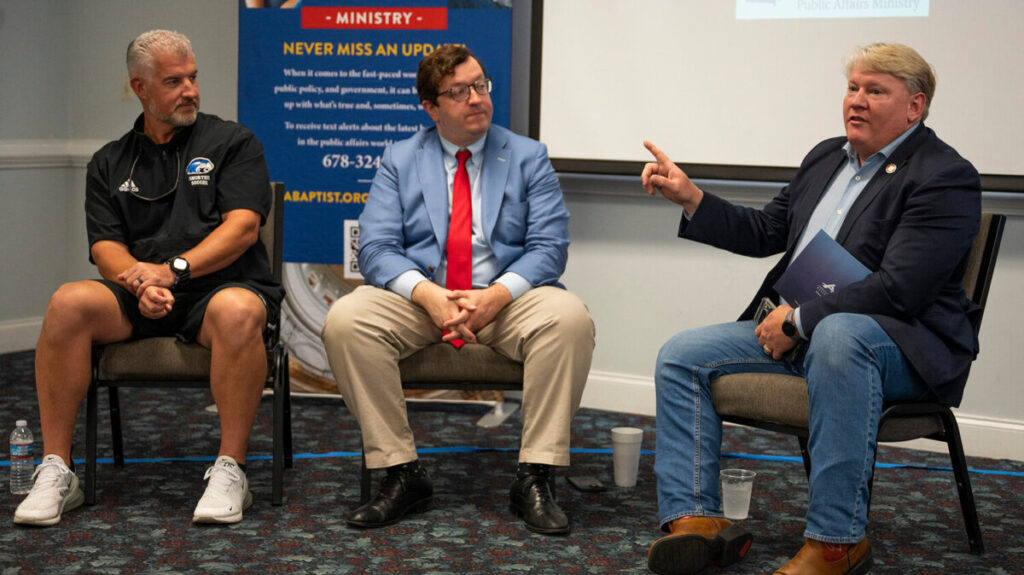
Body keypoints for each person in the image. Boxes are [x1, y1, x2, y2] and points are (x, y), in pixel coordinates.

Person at [640, 43, 981, 575]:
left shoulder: (944, 175)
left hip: (903, 346)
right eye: (853, 88)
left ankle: (836, 544)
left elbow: (902, 289)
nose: (857, 101)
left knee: (841, 335)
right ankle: (697, 521)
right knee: (682, 354)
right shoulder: (826, 157)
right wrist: (692, 198)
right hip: (807, 333)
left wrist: (800, 321)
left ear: (915, 106)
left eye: (875, 91)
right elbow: (767, 231)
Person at [13, 30, 284, 526]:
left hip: (218, 290)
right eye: (173, 82)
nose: (190, 91)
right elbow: (105, 248)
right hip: (139, 296)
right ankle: (57, 469)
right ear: (139, 87)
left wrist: (173, 270)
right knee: (68, 302)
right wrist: (141, 283)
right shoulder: (109, 161)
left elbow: (244, 228)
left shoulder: (233, 143)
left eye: (193, 78)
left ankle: (231, 468)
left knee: (239, 309)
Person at [321, 45, 595, 535]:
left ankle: (535, 475)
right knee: (347, 320)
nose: (476, 99)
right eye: (460, 91)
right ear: (431, 107)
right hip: (425, 301)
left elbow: (550, 248)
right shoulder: (400, 159)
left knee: (569, 318)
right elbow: (376, 248)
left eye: (481, 85)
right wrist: (427, 295)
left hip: (505, 301)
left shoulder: (528, 156)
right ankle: (401, 472)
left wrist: (496, 296)